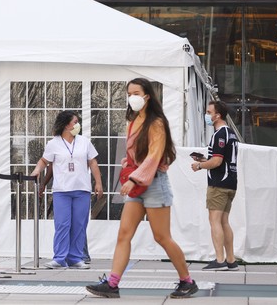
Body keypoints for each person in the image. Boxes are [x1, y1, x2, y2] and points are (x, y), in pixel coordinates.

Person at [86, 78, 198, 299]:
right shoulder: (134, 120)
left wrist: (133, 179)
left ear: (147, 95)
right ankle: (112, 283)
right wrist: (128, 167)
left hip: (154, 183)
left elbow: (155, 157)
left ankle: (187, 281)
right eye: (129, 93)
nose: (132, 97)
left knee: (162, 237)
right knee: (124, 235)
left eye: (136, 92)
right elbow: (135, 156)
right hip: (139, 184)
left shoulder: (156, 123)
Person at [30, 110, 102, 270]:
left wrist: (98, 183)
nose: (77, 125)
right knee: (62, 224)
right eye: (75, 122)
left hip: (82, 189)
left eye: (78, 122)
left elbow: (93, 163)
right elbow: (44, 161)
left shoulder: (84, 141)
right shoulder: (53, 143)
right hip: (62, 190)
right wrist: (36, 172)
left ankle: (76, 258)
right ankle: (59, 258)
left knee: (79, 225)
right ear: (65, 124)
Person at [191, 100, 239, 271]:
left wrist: (199, 166)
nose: (206, 115)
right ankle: (231, 260)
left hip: (219, 183)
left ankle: (220, 260)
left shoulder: (219, 134)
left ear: (217, 115)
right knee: (224, 221)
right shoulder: (231, 133)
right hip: (231, 182)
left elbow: (217, 161)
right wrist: (205, 160)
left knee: (215, 221)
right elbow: (222, 159)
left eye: (208, 112)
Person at [39, 164, 91, 264]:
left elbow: (51, 167)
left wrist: (43, 184)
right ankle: (77, 255)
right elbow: (51, 167)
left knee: (74, 223)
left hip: (72, 186)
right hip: (67, 187)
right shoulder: (58, 149)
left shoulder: (81, 148)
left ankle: (79, 255)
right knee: (71, 223)